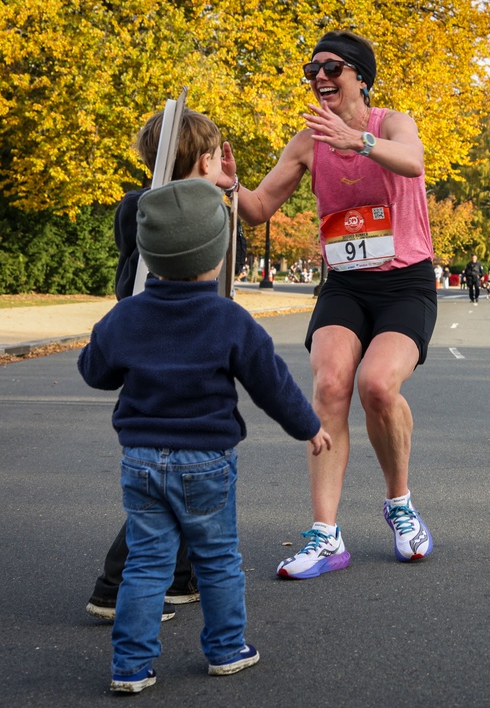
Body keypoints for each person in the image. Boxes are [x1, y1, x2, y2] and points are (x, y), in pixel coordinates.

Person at [79, 179, 332, 693]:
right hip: (206, 462)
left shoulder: (126, 316)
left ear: (149, 254)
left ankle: (130, 665)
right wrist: (309, 426)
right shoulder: (228, 320)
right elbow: (271, 385)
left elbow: (95, 371)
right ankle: (225, 648)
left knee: (147, 563)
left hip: (142, 460)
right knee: (217, 559)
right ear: (217, 256)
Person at [221, 30, 436, 579]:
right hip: (344, 284)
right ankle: (325, 536)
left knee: (378, 386)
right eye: (312, 70)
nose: (320, 77)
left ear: (360, 76)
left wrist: (355, 140)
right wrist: (227, 185)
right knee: (330, 385)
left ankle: (400, 505)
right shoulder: (305, 141)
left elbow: (412, 163)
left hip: (404, 283)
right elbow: (258, 208)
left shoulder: (392, 123)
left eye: (332, 68)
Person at [87, 107, 244, 624]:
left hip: (148, 356)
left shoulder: (138, 208)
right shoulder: (181, 217)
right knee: (175, 474)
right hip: (179, 358)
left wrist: (219, 186)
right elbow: (219, 270)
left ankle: (178, 579)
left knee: (171, 467)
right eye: (216, 156)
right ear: (204, 160)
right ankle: (115, 586)